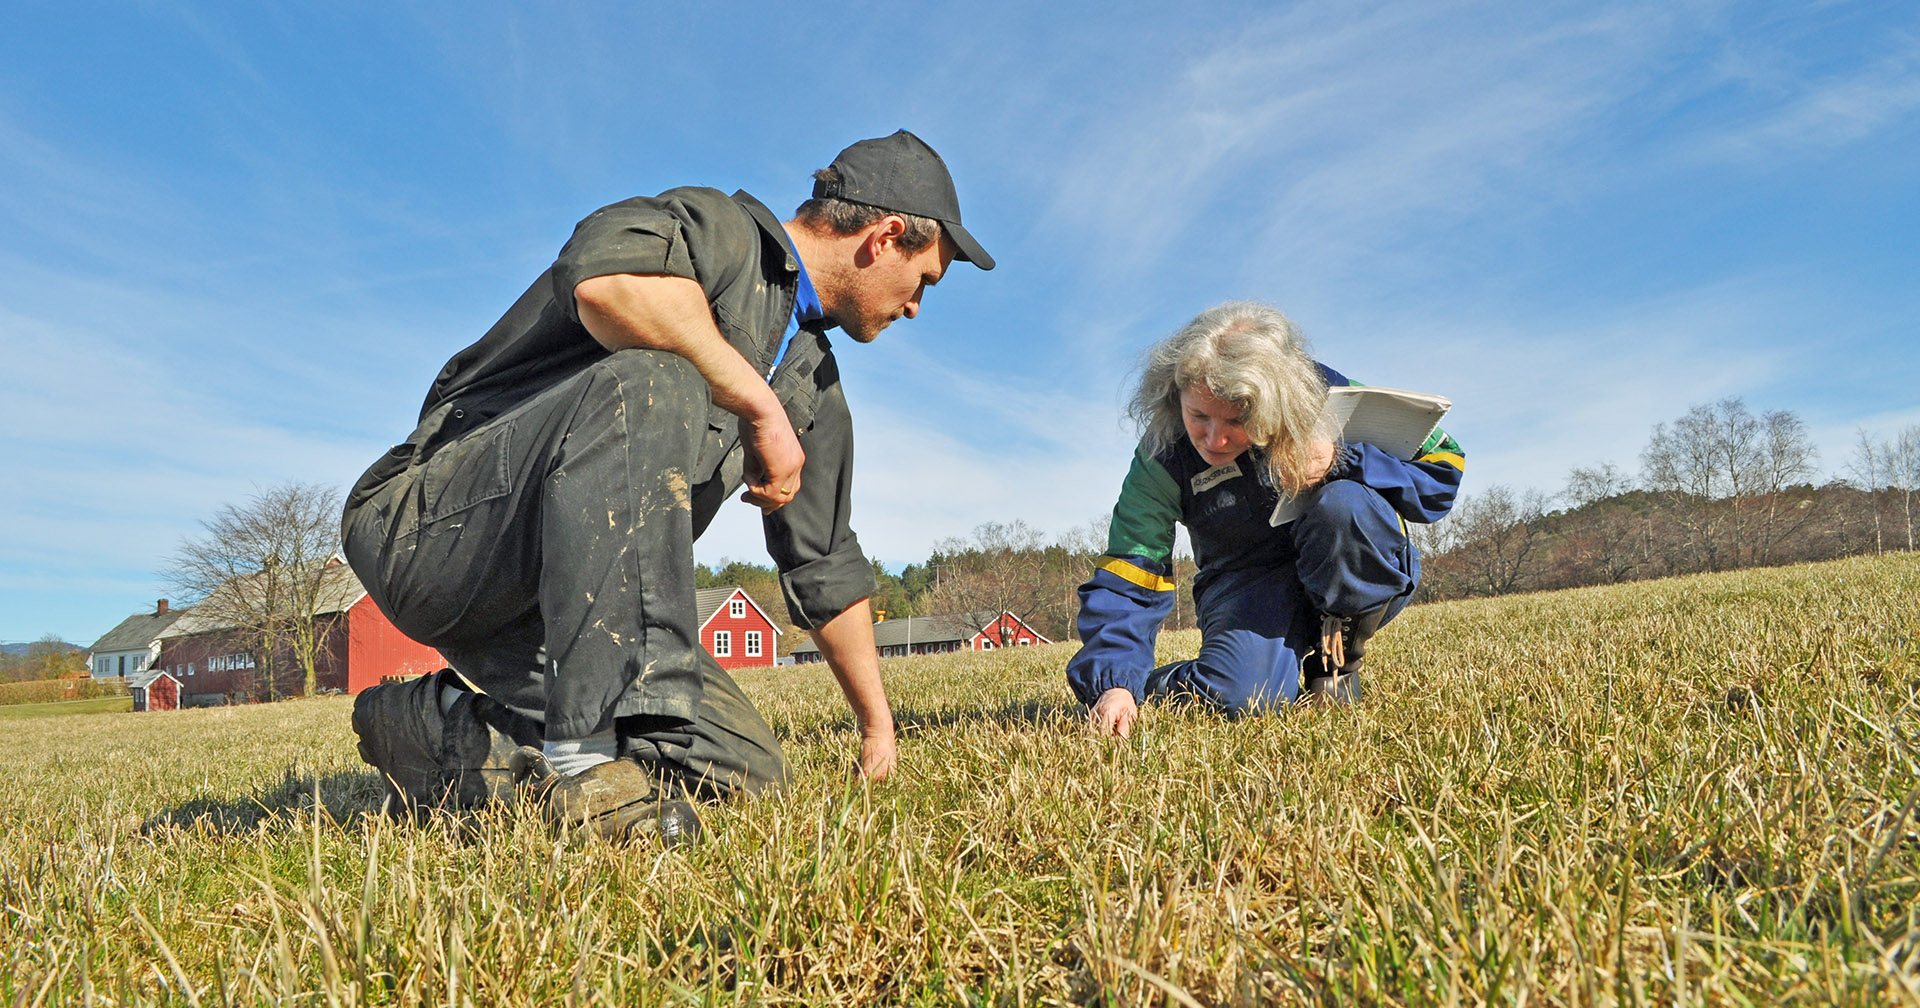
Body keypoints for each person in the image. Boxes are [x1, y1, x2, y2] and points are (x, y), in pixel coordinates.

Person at [342, 131, 993, 840]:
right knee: (656, 378)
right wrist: (758, 406)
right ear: (886, 236)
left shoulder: (812, 381)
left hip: (557, 613)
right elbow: (605, 284)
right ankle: (586, 771)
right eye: (924, 280)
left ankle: (444, 738)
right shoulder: (720, 231)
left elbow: (825, 560)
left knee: (743, 771)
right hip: (436, 531)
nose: (915, 307)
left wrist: (878, 727)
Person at [1066, 301, 1463, 737]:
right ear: (1174, 392)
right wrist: (1115, 682)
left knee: (1345, 504)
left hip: (1346, 557)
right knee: (1244, 698)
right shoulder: (1162, 453)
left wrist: (1343, 458)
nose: (1214, 439)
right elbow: (1131, 571)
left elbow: (1443, 468)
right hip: (1244, 581)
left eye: (1237, 420)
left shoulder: (1322, 392)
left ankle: (1336, 666)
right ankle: (1154, 684)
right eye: (1198, 415)